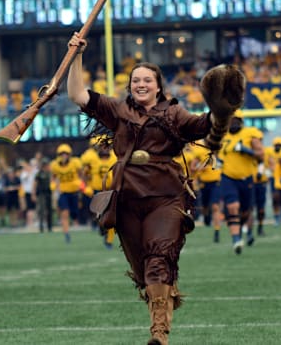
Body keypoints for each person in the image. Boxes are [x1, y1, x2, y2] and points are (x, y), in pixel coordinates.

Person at [67, 32, 214, 345]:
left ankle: (159, 333)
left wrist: (221, 111)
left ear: (158, 86)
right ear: (130, 85)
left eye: (147, 80)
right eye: (136, 80)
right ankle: (161, 303)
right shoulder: (118, 110)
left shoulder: (173, 113)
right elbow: (78, 95)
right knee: (144, 270)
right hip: (128, 199)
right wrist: (76, 55)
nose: (141, 84)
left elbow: (202, 125)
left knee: (159, 259)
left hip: (166, 196)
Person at [217, 110, 264, 254]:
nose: (233, 122)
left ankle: (242, 230)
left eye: (236, 120)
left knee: (245, 212)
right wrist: (216, 161)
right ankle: (236, 239)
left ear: (241, 121)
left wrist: (247, 151)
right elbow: (212, 150)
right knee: (232, 207)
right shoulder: (221, 135)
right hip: (228, 177)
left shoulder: (250, 134)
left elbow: (261, 155)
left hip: (246, 178)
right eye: (230, 119)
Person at [49, 143, 83, 243]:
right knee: (65, 213)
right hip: (63, 192)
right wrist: (53, 185)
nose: (64, 156)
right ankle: (66, 233)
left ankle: (74, 220)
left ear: (69, 154)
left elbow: (81, 174)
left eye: (66, 154)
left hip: (74, 192)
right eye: (61, 154)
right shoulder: (55, 165)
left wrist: (81, 184)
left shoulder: (75, 162)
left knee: (74, 214)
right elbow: (53, 177)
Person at [33, 158, 53, 233]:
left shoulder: (50, 173)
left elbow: (53, 182)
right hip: (41, 193)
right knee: (41, 210)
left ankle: (49, 226)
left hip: (49, 192)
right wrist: (33, 194)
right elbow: (35, 184)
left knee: (49, 210)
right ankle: (41, 226)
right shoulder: (39, 173)